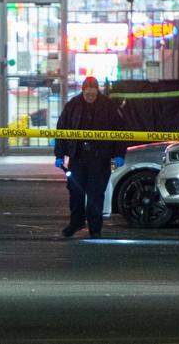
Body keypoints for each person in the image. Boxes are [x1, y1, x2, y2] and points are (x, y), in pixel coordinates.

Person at [54, 76, 127, 239]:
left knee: (95, 194)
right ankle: (76, 223)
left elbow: (120, 130)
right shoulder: (72, 105)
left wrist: (120, 154)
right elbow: (62, 130)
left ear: (97, 92)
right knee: (75, 193)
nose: (90, 98)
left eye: (93, 95)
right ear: (82, 91)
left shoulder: (108, 106)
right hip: (78, 157)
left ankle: (95, 228)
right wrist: (59, 155)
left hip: (99, 158)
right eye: (87, 95)